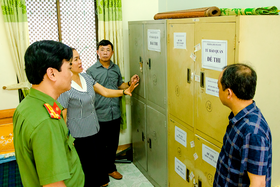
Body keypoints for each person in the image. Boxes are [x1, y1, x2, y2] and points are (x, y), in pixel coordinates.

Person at [57, 48, 138, 187]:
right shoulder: (65, 85)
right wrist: (65, 139)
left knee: (99, 168)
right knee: (85, 171)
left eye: (79, 58)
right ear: (67, 64)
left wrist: (125, 91)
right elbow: (62, 116)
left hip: (94, 130)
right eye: (76, 59)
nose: (80, 61)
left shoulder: (86, 78)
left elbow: (105, 91)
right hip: (78, 136)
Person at [13, 40, 84, 187]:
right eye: (68, 68)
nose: (71, 75)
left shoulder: (27, 105)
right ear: (52, 73)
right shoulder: (46, 121)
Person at [86, 40, 139, 180]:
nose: (105, 52)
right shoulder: (90, 71)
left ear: (112, 52)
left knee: (113, 145)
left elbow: (119, 85)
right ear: (97, 52)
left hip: (114, 113)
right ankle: (101, 172)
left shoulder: (116, 68)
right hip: (99, 114)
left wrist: (129, 83)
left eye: (108, 50)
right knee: (99, 147)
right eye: (102, 50)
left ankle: (110, 169)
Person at [214, 63, 272, 187]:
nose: (218, 91)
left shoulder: (253, 132)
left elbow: (259, 184)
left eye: (219, 87)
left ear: (229, 93)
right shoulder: (239, 119)